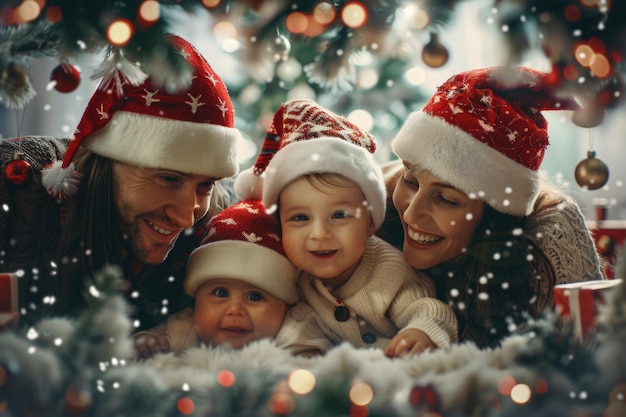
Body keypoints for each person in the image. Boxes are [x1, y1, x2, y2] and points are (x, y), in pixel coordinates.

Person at [0, 33, 242, 331]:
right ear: (108, 160)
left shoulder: (217, 225)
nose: (185, 217)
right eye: (168, 178)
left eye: (205, 185)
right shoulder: (17, 182)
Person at [378, 66, 605, 348]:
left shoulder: (551, 230)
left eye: (446, 199)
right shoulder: (373, 206)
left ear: (495, 215)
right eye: (410, 181)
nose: (411, 213)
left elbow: (593, 360)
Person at [235, 99, 458, 357]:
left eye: (339, 215)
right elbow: (297, 325)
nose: (319, 234)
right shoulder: (291, 275)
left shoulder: (390, 272)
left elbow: (427, 308)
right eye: (299, 218)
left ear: (370, 223)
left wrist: (422, 331)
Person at [133, 199, 297, 359]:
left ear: (285, 306)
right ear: (196, 300)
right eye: (221, 292)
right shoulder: (181, 328)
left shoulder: (294, 331)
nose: (234, 309)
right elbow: (138, 348)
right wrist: (146, 344)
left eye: (254, 296)